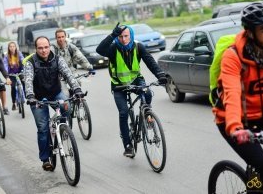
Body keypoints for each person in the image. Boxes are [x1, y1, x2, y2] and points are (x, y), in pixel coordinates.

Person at [212, 2, 263, 191]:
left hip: (262, 115)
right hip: (234, 121)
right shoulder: (233, 56)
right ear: (251, 33)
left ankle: (254, 184)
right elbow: (232, 93)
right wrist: (235, 128)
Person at [96, 22, 167, 158]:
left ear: (131, 35)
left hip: (136, 80)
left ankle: (147, 114)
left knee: (147, 92)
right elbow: (100, 50)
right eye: (121, 36)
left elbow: (150, 61)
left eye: (126, 36)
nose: (123, 39)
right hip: (119, 85)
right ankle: (128, 145)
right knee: (123, 112)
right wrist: (112, 35)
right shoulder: (113, 48)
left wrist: (160, 75)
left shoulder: (138, 46)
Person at [24, 36, 84, 171]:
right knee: (43, 128)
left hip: (55, 93)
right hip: (37, 97)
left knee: (67, 108)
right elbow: (28, 80)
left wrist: (77, 89)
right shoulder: (31, 63)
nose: (44, 50)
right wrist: (30, 96)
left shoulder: (57, 59)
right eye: (40, 48)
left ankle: (63, 130)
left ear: (49, 46)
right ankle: (45, 159)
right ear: (36, 49)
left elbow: (68, 75)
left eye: (46, 47)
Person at [3, 41, 25, 111]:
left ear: (16, 47)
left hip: (19, 72)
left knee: (24, 82)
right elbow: (5, 65)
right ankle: (14, 103)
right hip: (11, 74)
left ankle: (25, 95)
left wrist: (24, 66)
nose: (12, 48)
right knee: (13, 87)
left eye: (13, 46)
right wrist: (6, 73)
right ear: (8, 48)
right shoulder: (6, 56)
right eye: (10, 47)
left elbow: (23, 60)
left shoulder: (19, 53)